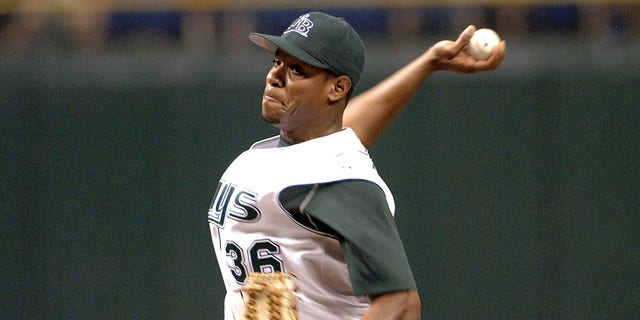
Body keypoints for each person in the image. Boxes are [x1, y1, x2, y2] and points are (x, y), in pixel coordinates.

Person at [208, 11, 505, 320]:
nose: (275, 76)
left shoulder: (341, 182)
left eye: (297, 69)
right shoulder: (310, 152)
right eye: (277, 62)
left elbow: (402, 305)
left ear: (337, 89)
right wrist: (427, 64)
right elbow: (334, 133)